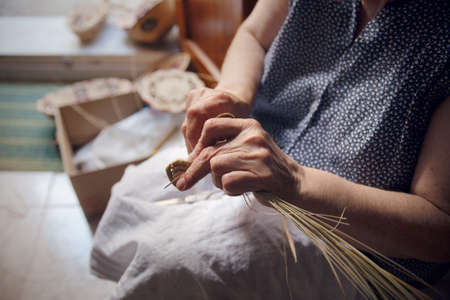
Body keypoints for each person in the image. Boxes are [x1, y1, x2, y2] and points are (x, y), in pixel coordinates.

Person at [175, 0, 450, 284]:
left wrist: (296, 181)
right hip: (251, 160)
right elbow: (254, 35)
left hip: (350, 246)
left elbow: (441, 232)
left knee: (168, 262)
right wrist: (234, 93)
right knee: (137, 208)